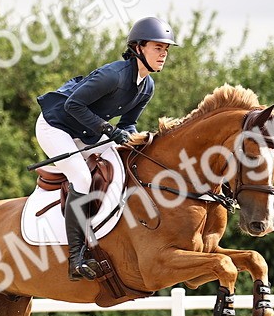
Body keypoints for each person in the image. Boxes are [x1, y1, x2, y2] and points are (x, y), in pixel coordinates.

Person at [35, 16, 177, 280]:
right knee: (81, 176)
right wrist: (110, 131)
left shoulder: (147, 86)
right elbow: (72, 106)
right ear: (138, 48)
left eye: (166, 49)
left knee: (123, 166)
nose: (163, 54)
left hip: (87, 131)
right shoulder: (113, 76)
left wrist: (137, 141)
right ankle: (75, 259)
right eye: (158, 48)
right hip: (55, 126)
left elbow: (129, 123)